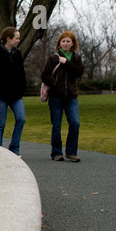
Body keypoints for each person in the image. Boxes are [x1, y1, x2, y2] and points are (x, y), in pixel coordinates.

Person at [41, 31, 84, 162]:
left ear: (73, 44)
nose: (65, 44)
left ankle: (71, 152)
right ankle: (56, 152)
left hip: (71, 96)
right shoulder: (53, 58)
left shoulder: (76, 58)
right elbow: (44, 75)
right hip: (56, 97)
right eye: (63, 41)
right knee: (57, 125)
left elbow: (79, 73)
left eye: (68, 41)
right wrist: (54, 83)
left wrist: (67, 63)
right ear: (59, 43)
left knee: (75, 123)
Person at [0, 27, 27, 157]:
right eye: (16, 38)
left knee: (21, 119)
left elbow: (21, 74)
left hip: (16, 95)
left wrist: (22, 88)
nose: (18, 40)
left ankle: (14, 148)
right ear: (9, 39)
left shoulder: (18, 54)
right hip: (1, 96)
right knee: (1, 124)